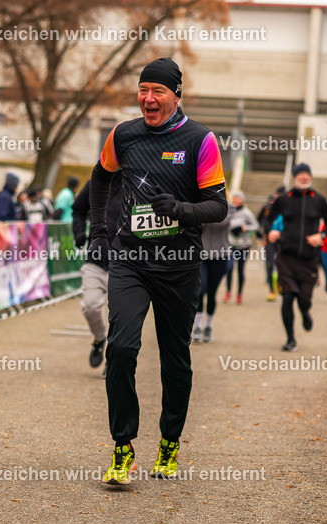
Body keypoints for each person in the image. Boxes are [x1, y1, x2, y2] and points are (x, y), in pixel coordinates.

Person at [89, 56, 227, 484]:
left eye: (158, 91)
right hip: (130, 259)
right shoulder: (123, 135)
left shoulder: (200, 140)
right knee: (123, 348)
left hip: (179, 265)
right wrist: (99, 231)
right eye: (143, 90)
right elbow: (99, 177)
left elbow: (219, 207)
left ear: (176, 95)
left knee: (175, 359)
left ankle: (170, 441)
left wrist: (182, 209)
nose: (148, 99)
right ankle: (122, 447)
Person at [267, 163, 327, 352]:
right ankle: (290, 339)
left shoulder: (320, 200)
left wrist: (320, 236)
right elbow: (267, 219)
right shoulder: (284, 199)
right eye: (300, 174)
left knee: (304, 300)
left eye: (307, 174)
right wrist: (270, 231)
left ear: (310, 177)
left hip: (309, 259)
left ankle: (305, 312)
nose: (304, 177)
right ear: (294, 177)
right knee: (288, 297)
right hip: (286, 258)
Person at [72, 176, 121, 368]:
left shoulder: (137, 181)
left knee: (120, 316)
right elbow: (77, 210)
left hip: (126, 262)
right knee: (91, 307)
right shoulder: (95, 182)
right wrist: (78, 233)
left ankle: (114, 360)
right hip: (96, 259)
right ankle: (100, 338)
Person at [194, 213, 231, 343]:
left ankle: (208, 325)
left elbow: (223, 223)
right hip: (201, 255)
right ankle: (197, 325)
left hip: (220, 255)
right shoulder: (198, 204)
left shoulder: (228, 205)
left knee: (211, 293)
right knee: (200, 290)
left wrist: (203, 216)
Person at [223, 191, 258, 304]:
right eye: (234, 198)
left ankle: (239, 294)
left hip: (243, 245)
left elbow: (256, 226)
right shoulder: (229, 211)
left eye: (238, 198)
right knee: (229, 269)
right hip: (230, 244)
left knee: (240, 270)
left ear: (242, 200)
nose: (236, 200)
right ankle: (228, 292)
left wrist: (245, 228)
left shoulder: (246, 213)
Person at [256, 186, 285, 301]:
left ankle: (280, 284)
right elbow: (261, 221)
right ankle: (271, 291)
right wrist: (263, 234)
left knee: (281, 264)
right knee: (269, 264)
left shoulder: (289, 209)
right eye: (278, 196)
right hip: (270, 241)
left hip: (283, 241)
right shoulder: (268, 208)